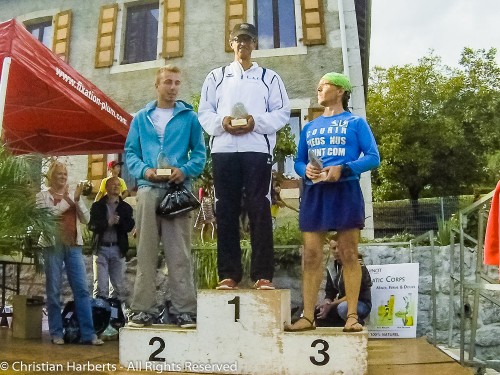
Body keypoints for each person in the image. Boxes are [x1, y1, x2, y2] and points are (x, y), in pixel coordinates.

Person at [198, 23, 291, 290]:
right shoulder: (216, 77)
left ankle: (263, 275)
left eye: (248, 40)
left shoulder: (269, 78)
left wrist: (256, 122)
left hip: (256, 149)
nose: (243, 45)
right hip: (224, 150)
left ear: (254, 44)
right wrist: (222, 123)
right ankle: (229, 274)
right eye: (238, 40)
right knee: (225, 209)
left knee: (259, 208)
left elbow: (282, 112)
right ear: (231, 44)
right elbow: (204, 112)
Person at [285, 72, 380, 332]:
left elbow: (373, 157)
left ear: (340, 90)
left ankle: (352, 317)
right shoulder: (309, 127)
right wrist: (305, 170)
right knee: (312, 255)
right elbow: (298, 160)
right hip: (315, 194)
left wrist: (345, 168)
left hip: (345, 190)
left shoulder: (356, 122)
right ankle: (307, 317)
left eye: (324, 85)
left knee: (349, 254)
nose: (318, 89)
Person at [125, 64, 206, 328]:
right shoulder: (140, 118)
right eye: (168, 82)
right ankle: (142, 310)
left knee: (179, 253)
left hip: (177, 192)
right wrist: (144, 171)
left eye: (177, 83)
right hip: (148, 191)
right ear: (157, 85)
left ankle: (184, 311)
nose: (173, 88)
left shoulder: (189, 118)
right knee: (145, 252)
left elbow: (201, 155)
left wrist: (184, 171)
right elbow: (131, 154)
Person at [36, 161, 104, 345]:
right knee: (53, 290)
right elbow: (49, 217)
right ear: (52, 176)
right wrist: (68, 200)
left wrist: (77, 199)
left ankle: (88, 334)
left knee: (82, 289)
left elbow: (87, 219)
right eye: (59, 174)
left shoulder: (73, 196)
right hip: (53, 246)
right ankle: (56, 333)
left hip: (74, 246)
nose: (63, 177)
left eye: (65, 174)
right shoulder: (42, 196)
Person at [88, 176, 135, 300]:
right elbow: (91, 225)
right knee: (100, 287)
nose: (116, 186)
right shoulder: (97, 206)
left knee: (117, 287)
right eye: (113, 184)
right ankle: (100, 314)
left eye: (118, 185)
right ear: (106, 187)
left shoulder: (125, 207)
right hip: (101, 249)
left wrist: (120, 223)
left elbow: (130, 226)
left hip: (117, 249)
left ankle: (114, 316)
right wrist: (107, 223)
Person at [315, 239, 372, 327]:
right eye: (334, 248)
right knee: (318, 311)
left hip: (360, 303)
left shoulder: (358, 265)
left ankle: (357, 324)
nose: (337, 251)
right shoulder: (332, 267)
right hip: (340, 304)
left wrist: (331, 304)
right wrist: (326, 303)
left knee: (343, 308)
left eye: (340, 247)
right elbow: (330, 293)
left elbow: (354, 294)